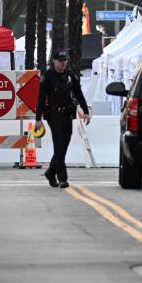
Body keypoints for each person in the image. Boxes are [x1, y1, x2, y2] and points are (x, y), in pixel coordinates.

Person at [36, 50, 90, 189]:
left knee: (63, 147)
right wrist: (38, 118)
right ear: (53, 61)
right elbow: (41, 99)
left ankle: (50, 172)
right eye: (60, 60)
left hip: (67, 115)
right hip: (54, 116)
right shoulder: (47, 77)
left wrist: (85, 111)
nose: (63, 63)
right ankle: (62, 178)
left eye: (65, 60)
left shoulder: (70, 75)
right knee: (59, 146)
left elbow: (78, 93)